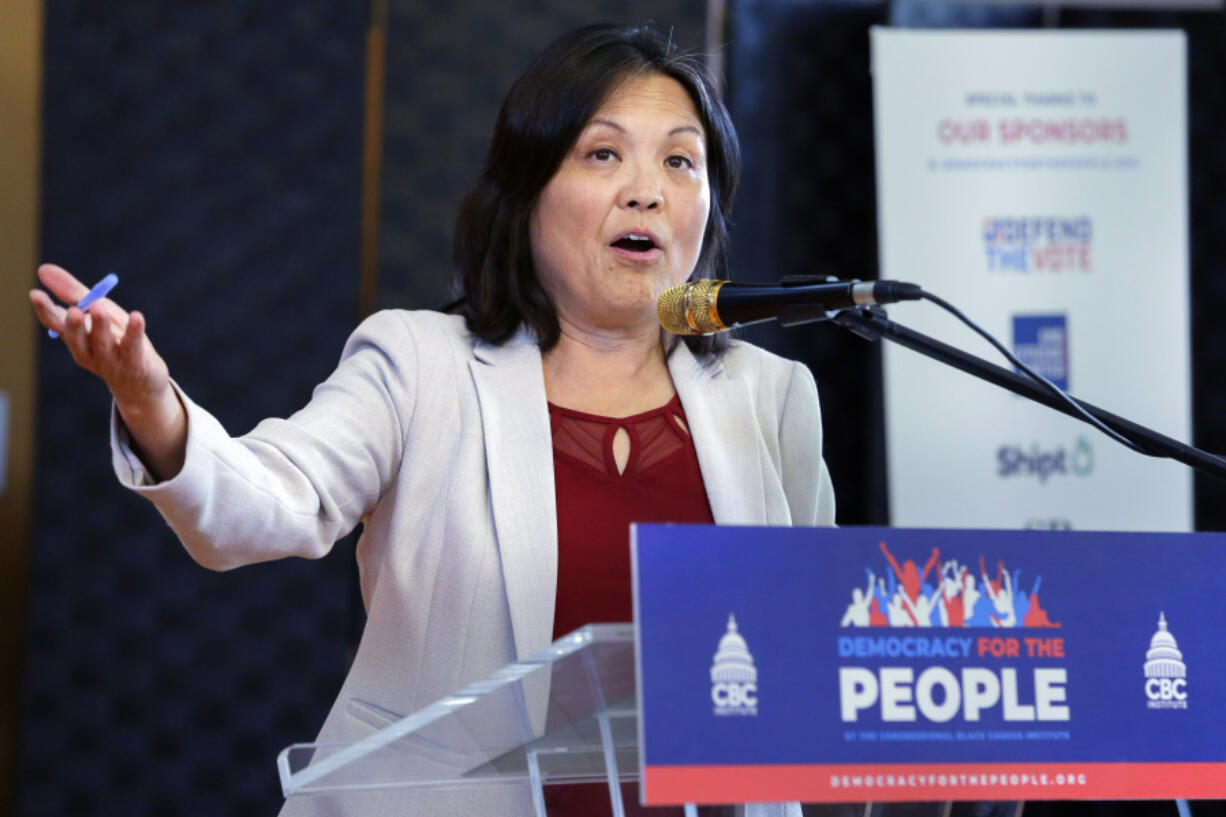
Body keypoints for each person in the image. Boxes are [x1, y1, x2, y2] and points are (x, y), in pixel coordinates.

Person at [30, 23, 835, 817]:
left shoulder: (771, 397)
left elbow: (813, 672)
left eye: (680, 160)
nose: (647, 189)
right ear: (526, 190)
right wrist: (150, 400)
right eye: (602, 153)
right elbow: (263, 502)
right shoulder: (419, 365)